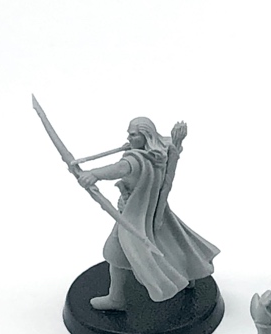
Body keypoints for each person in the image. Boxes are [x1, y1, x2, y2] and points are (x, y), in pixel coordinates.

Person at [76, 117, 219, 310]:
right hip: (153, 212)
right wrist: (176, 141)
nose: (129, 138)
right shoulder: (159, 152)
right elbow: (168, 144)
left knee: (114, 252)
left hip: (135, 216)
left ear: (146, 136)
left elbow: (119, 169)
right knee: (172, 244)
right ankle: (189, 275)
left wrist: (93, 174)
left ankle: (116, 299)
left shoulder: (136, 160)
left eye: (133, 135)